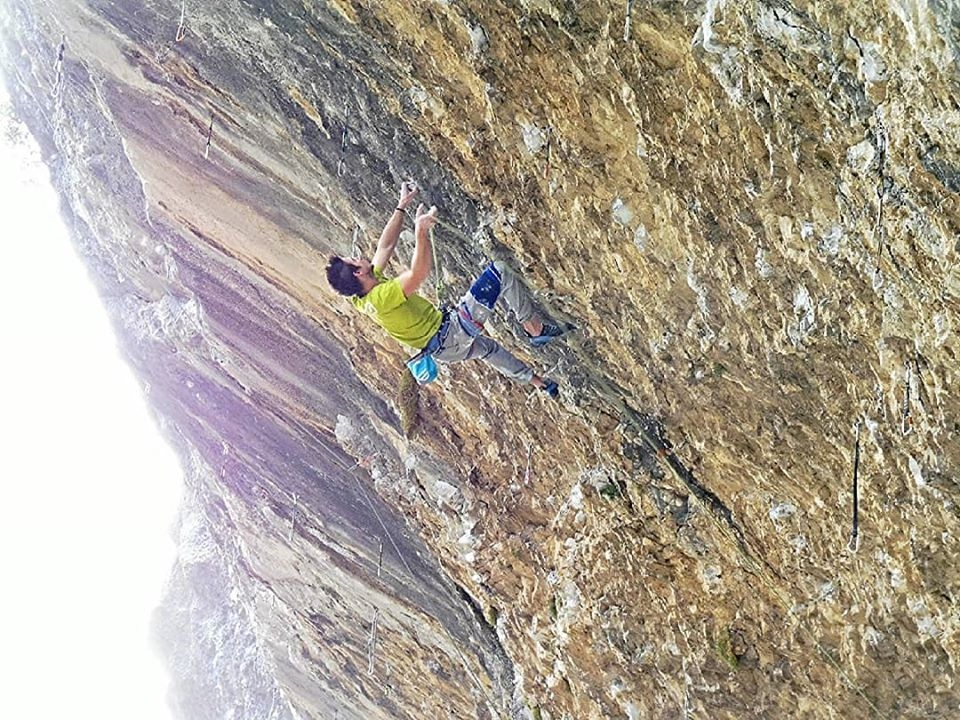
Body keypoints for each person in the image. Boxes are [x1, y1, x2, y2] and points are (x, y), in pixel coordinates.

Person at [326, 182, 565, 397]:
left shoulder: (361, 294)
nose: (359, 257)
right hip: (451, 334)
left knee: (488, 349)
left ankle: (537, 382)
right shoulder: (380, 297)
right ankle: (535, 329)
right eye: (354, 260)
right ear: (358, 272)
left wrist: (402, 206)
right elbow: (418, 274)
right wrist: (421, 232)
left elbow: (385, 245)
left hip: (443, 348)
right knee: (500, 271)